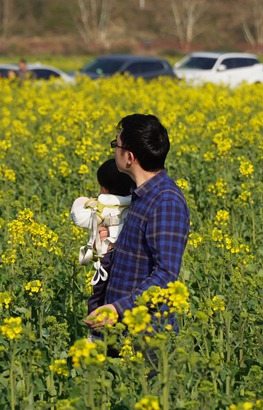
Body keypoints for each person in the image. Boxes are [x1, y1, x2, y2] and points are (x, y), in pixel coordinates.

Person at [85, 114, 190, 337]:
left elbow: (166, 275)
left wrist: (118, 309)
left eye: (116, 145)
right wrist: (110, 249)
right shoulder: (141, 194)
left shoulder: (166, 202)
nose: (114, 151)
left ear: (130, 157)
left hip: (146, 335)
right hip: (122, 328)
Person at [71, 158, 134, 341]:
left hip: (106, 264)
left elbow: (77, 216)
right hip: (128, 265)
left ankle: (97, 337)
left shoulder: (100, 207)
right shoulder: (135, 203)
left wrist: (83, 200)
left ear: (104, 188)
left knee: (98, 299)